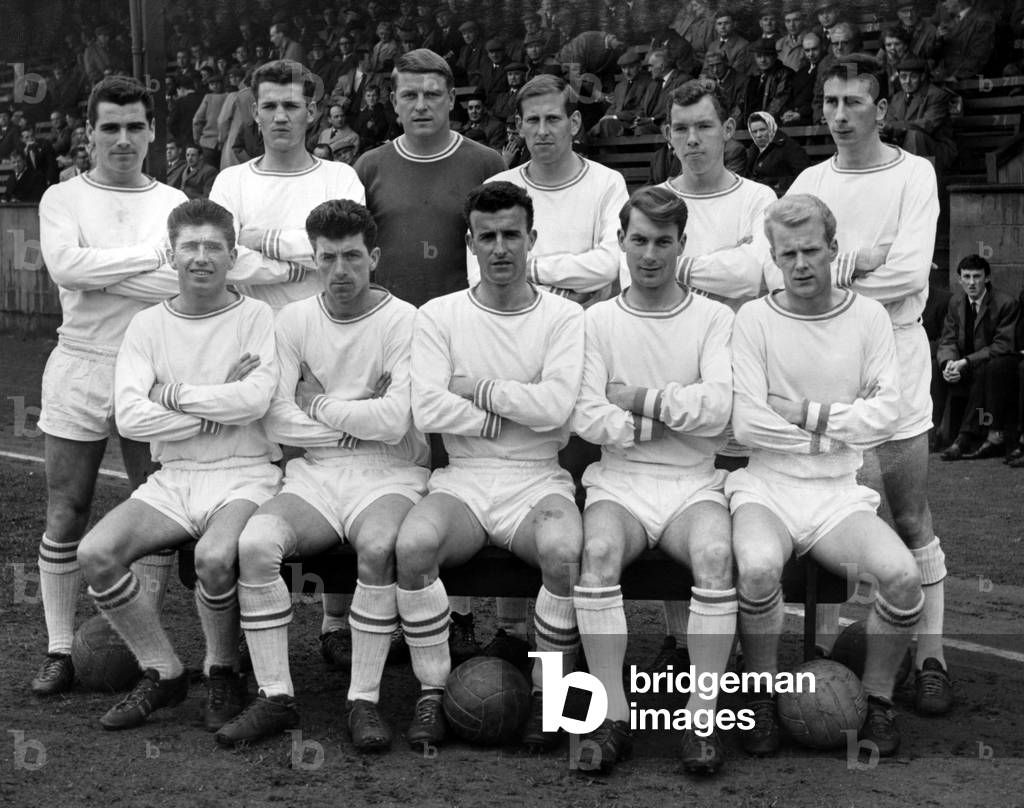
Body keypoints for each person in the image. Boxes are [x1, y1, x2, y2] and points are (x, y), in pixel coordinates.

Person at [213, 199, 429, 750]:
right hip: (316, 474)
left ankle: (364, 701)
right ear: (313, 258)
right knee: (257, 542)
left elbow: (397, 420)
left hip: (390, 473)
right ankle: (276, 696)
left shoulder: (407, 320)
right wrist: (354, 421)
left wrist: (322, 405)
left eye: (352, 256)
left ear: (374, 256)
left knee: (379, 547)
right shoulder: (294, 320)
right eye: (328, 257)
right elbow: (277, 415)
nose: (340, 270)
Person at [730, 193, 924, 758]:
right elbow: (748, 422)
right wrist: (840, 422)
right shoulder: (754, 319)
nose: (800, 264)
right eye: (786, 253)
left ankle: (879, 702)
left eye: (811, 250)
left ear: (834, 249)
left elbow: (886, 415)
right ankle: (762, 698)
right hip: (766, 485)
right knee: (761, 568)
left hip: (838, 493)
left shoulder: (867, 317)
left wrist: (804, 413)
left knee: (902, 577)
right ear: (773, 256)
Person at [786, 57, 952, 716]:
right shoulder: (806, 181)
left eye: (854, 101)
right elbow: (784, 275)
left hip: (896, 356)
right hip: (821, 358)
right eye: (829, 100)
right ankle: (818, 654)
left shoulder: (916, 174)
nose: (840, 113)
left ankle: (932, 655)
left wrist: (829, 270)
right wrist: (860, 261)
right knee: (821, 506)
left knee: (908, 515)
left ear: (883, 109)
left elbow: (910, 276)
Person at [77, 198, 280, 731]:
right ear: (172, 255)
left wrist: (173, 396)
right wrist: (214, 405)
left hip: (245, 471)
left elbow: (255, 402)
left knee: (215, 558)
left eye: (214, 246)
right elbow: (131, 416)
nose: (201, 257)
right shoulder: (147, 326)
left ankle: (222, 669)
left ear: (233, 255)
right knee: (96, 553)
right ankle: (163, 670)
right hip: (175, 477)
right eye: (189, 246)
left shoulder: (258, 317)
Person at [396, 182, 584, 751]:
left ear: (532, 239)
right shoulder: (440, 314)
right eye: (488, 237)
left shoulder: (564, 315)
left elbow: (557, 412)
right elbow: (427, 406)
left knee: (563, 553)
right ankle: (431, 692)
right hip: (466, 479)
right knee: (413, 547)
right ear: (471, 244)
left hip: (538, 478)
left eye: (511, 235)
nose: (501, 248)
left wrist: (473, 389)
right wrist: (507, 412)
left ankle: (547, 694)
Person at [32, 76, 188, 697]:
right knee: (66, 508)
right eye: (110, 127)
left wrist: (103, 272)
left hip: (151, 365)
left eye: (134, 126)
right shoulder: (61, 198)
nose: (122, 139)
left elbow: (183, 288)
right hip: (80, 363)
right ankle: (59, 649)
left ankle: (143, 646)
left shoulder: (174, 201)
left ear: (151, 132)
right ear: (90, 134)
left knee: (151, 507)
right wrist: (153, 259)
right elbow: (66, 267)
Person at [572, 185, 736, 775]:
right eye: (638, 240)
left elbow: (719, 409)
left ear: (681, 245)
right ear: (620, 242)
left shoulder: (714, 318)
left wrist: (640, 401)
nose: (649, 254)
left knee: (718, 555)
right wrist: (663, 421)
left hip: (694, 482)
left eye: (663, 242)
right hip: (619, 483)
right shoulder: (595, 321)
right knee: (597, 553)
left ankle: (701, 720)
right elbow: (586, 413)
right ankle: (612, 716)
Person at [469, 73, 628, 663]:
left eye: (552, 119)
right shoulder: (500, 184)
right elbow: (478, 272)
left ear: (575, 123)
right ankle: (513, 631)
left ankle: (574, 628)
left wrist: (533, 272)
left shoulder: (607, 183)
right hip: (509, 347)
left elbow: (611, 263)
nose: (541, 131)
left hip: (583, 352)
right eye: (530, 121)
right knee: (523, 484)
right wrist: (566, 274)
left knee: (573, 492)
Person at [209, 59, 365, 314]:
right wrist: (292, 268)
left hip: (325, 328)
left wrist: (264, 240)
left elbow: (345, 251)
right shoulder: (231, 181)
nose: (280, 117)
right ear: (256, 113)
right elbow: (222, 260)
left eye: (291, 106)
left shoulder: (341, 177)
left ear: (311, 111)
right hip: (252, 333)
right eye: (270, 106)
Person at [355, 49, 505, 308]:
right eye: (410, 95)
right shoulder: (369, 167)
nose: (421, 105)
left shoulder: (488, 164)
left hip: (463, 320)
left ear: (451, 99)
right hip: (390, 322)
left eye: (432, 94)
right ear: (393, 101)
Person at [937, 254, 1019, 461]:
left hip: (992, 364)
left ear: (987, 278)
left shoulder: (1005, 303)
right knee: (938, 370)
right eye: (967, 277)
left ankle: (964, 439)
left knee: (985, 371)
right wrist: (948, 364)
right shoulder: (956, 302)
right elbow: (948, 339)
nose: (972, 282)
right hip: (964, 363)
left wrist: (966, 362)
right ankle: (936, 436)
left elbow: (1003, 344)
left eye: (977, 276)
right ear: (959, 279)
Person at [882, 57, 958, 173]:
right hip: (906, 147)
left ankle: (914, 181)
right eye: (903, 77)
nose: (907, 81)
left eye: (913, 77)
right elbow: (889, 122)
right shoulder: (897, 98)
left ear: (922, 77)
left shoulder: (936, 95)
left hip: (936, 149)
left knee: (915, 136)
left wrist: (895, 128)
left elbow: (927, 125)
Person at [745, 111, 809, 196]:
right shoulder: (754, 149)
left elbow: (805, 176)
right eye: (754, 132)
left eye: (762, 130)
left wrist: (776, 183)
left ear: (771, 127)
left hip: (783, 195)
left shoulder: (788, 146)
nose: (758, 135)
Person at [743, 38, 795, 122]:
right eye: (759, 56)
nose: (762, 60)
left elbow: (779, 101)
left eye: (767, 55)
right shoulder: (753, 76)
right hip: (753, 125)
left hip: (774, 123)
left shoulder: (785, 74)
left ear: (774, 56)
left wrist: (762, 121)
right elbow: (742, 104)